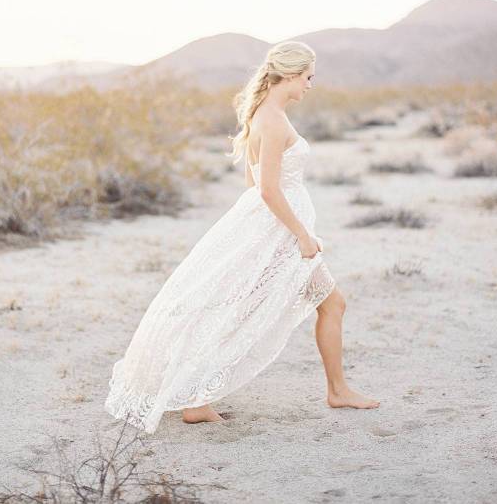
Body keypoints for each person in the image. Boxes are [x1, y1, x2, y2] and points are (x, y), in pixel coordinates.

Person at [105, 41, 379, 434]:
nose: (309, 85)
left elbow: (252, 183)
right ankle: (206, 399)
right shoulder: (273, 120)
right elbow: (267, 189)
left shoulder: (265, 115)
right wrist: (301, 235)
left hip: (271, 228)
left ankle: (336, 389)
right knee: (269, 309)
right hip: (281, 233)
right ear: (288, 75)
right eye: (307, 77)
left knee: (328, 303)